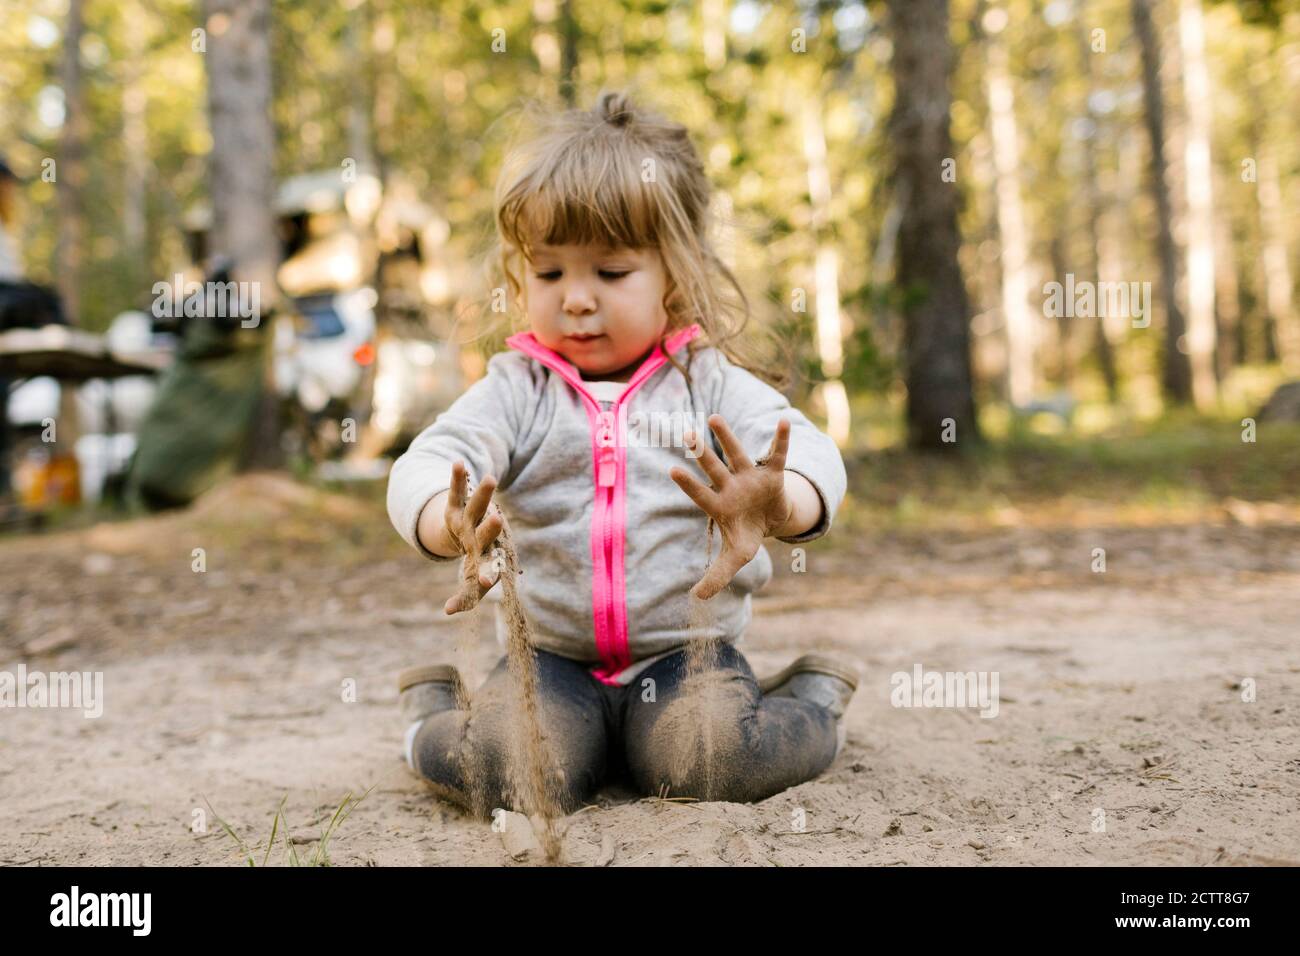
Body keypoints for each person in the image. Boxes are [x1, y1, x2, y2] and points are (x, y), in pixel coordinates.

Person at [385, 90, 856, 817]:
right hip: (551, 661)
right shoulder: (518, 389)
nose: (576, 299)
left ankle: (810, 701)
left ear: (676, 273)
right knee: (521, 774)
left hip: (684, 658)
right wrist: (442, 519)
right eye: (549, 274)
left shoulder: (707, 382)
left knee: (711, 763)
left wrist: (781, 499)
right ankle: (432, 715)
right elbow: (426, 460)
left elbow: (816, 456)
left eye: (609, 273)